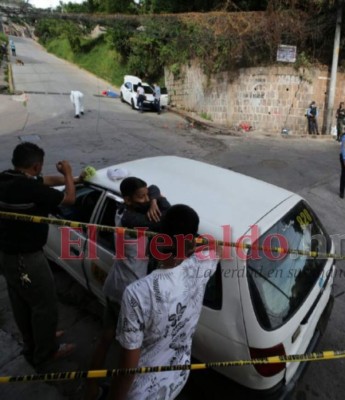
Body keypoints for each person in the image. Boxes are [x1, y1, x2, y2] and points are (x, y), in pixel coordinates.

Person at [109, 204, 219, 400]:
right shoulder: (203, 264)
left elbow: (128, 366)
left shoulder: (138, 293)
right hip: (178, 377)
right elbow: (215, 247)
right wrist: (193, 244)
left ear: (159, 239)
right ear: (192, 240)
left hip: (142, 394)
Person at [86, 177, 171, 400]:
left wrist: (151, 199)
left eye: (145, 195)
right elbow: (168, 219)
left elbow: (153, 188)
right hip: (131, 294)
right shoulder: (135, 220)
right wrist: (157, 201)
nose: (145, 199)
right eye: (140, 197)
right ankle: (122, 393)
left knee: (106, 337)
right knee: (132, 352)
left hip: (116, 285)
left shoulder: (122, 210)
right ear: (127, 199)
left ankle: (91, 388)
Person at [0, 143, 82, 367]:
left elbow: (44, 182)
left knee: (21, 302)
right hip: (26, 259)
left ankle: (35, 341)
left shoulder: (7, 179)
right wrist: (67, 173)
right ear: (36, 166)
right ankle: (45, 353)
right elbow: (69, 200)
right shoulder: (30, 189)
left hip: (6, 256)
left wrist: (73, 180)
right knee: (44, 305)